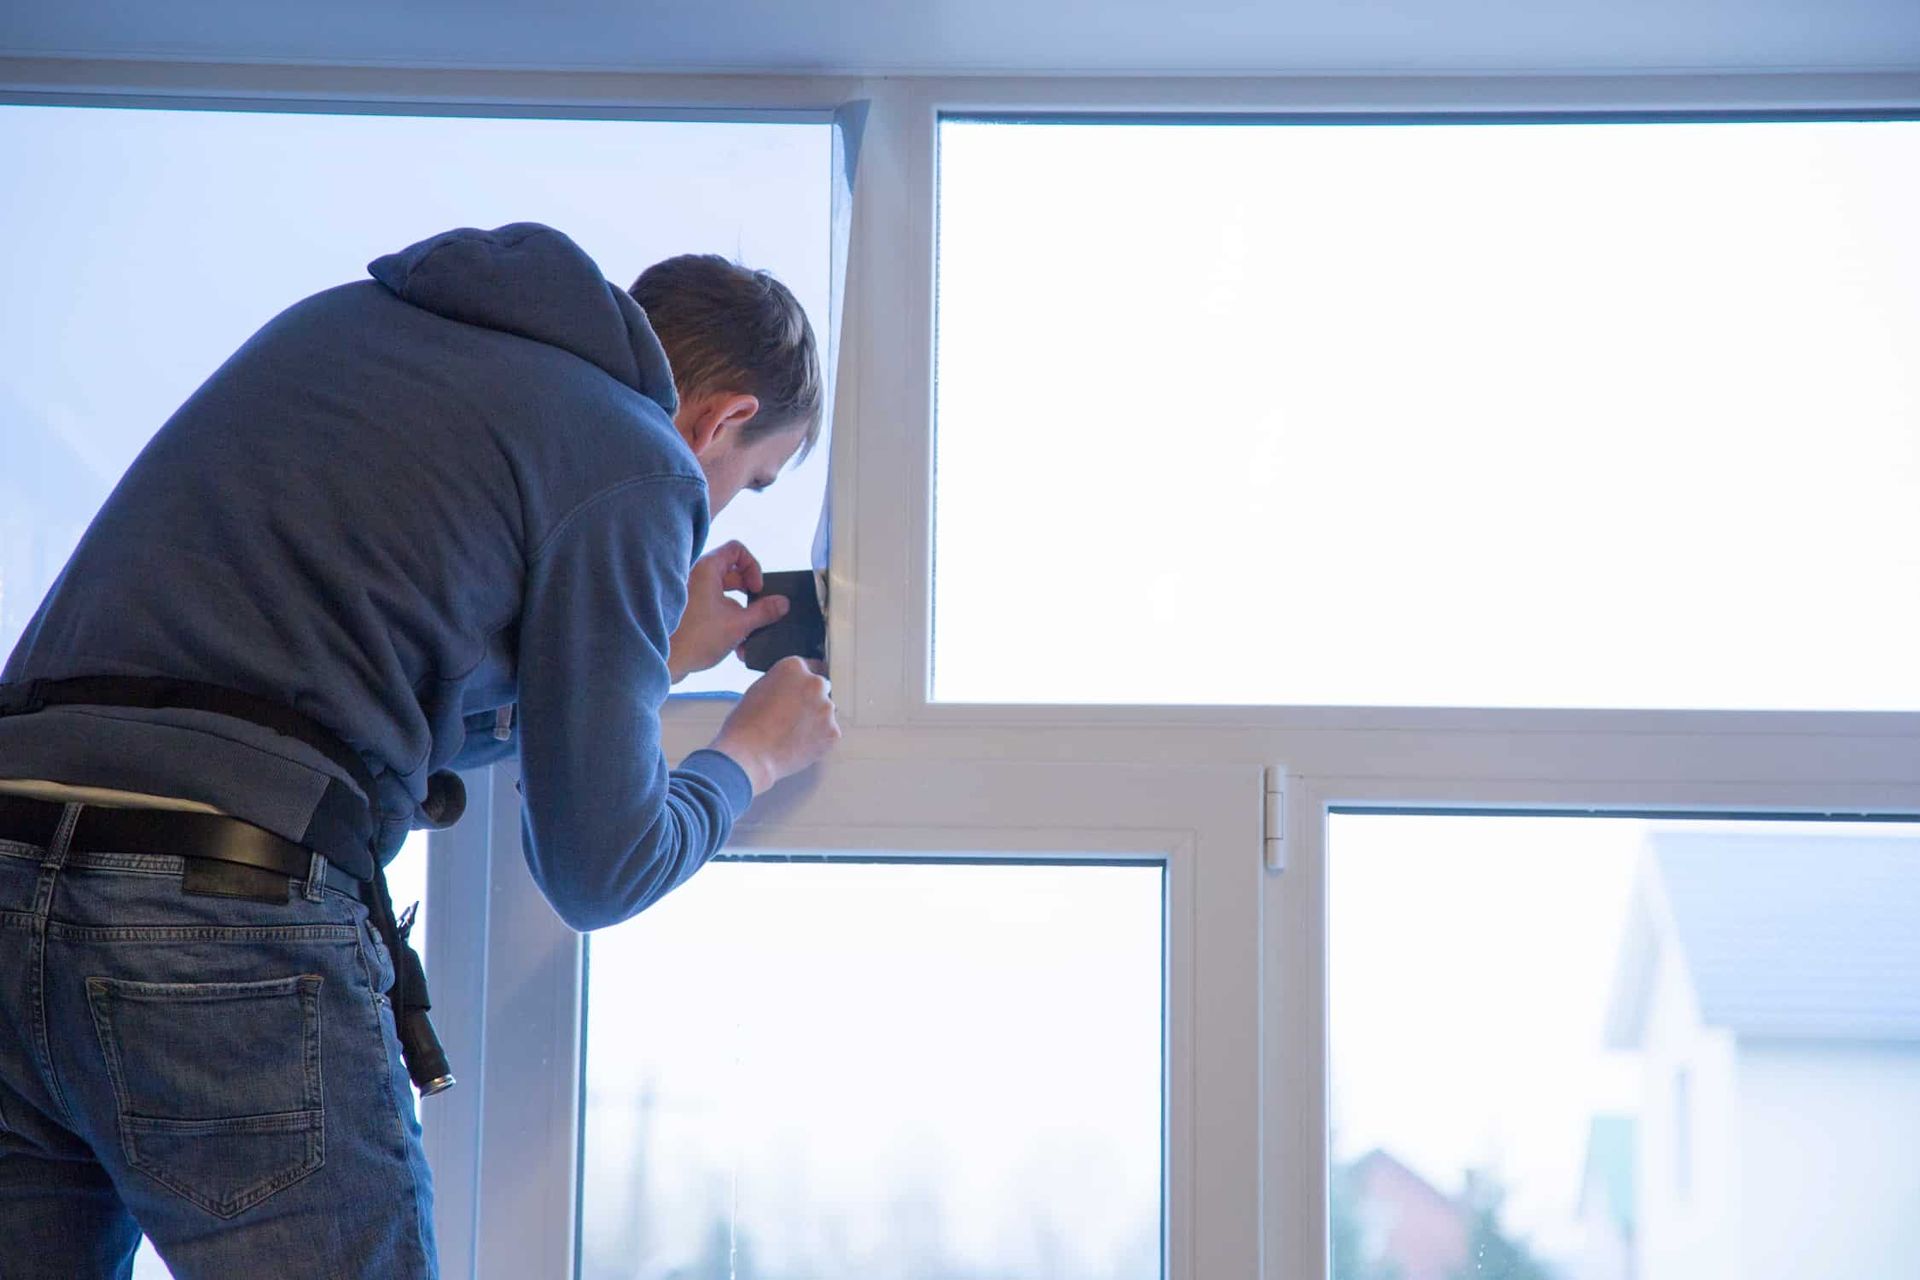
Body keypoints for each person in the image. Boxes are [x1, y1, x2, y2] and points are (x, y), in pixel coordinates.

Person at [0, 222, 840, 1278]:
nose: (715, 506)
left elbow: (318, 692)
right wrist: (750, 756)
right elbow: (601, 863)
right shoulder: (637, 456)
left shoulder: (349, 327)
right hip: (216, 904)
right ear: (724, 419)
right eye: (750, 480)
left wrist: (647, 657)